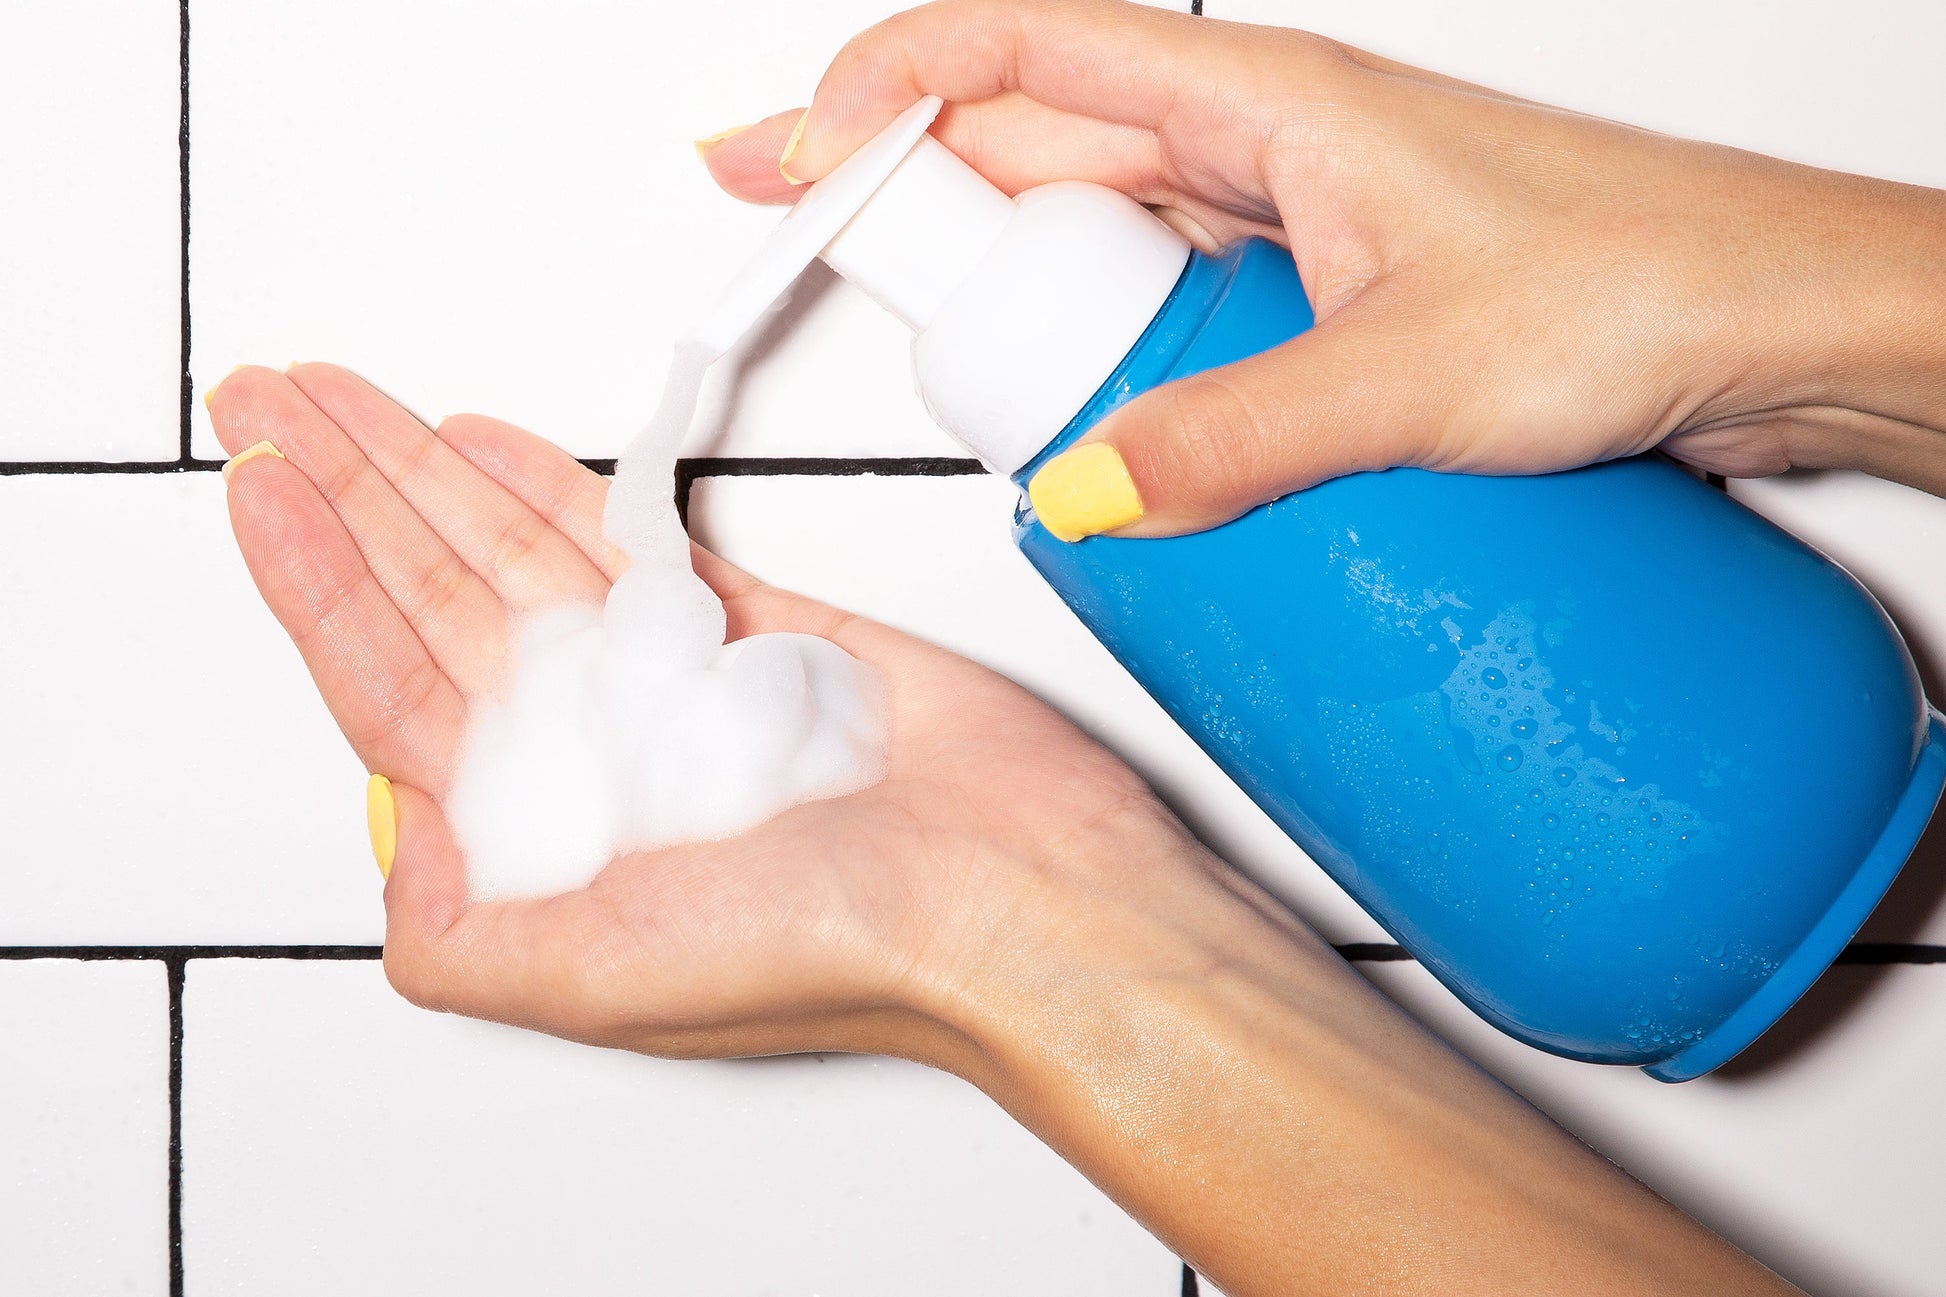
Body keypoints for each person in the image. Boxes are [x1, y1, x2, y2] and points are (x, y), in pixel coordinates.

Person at [207, 2, 1944, 1292]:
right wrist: (1024, 929)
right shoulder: (1099, 489)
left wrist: (1035, 963)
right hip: (1774, 767)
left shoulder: (1145, 462)